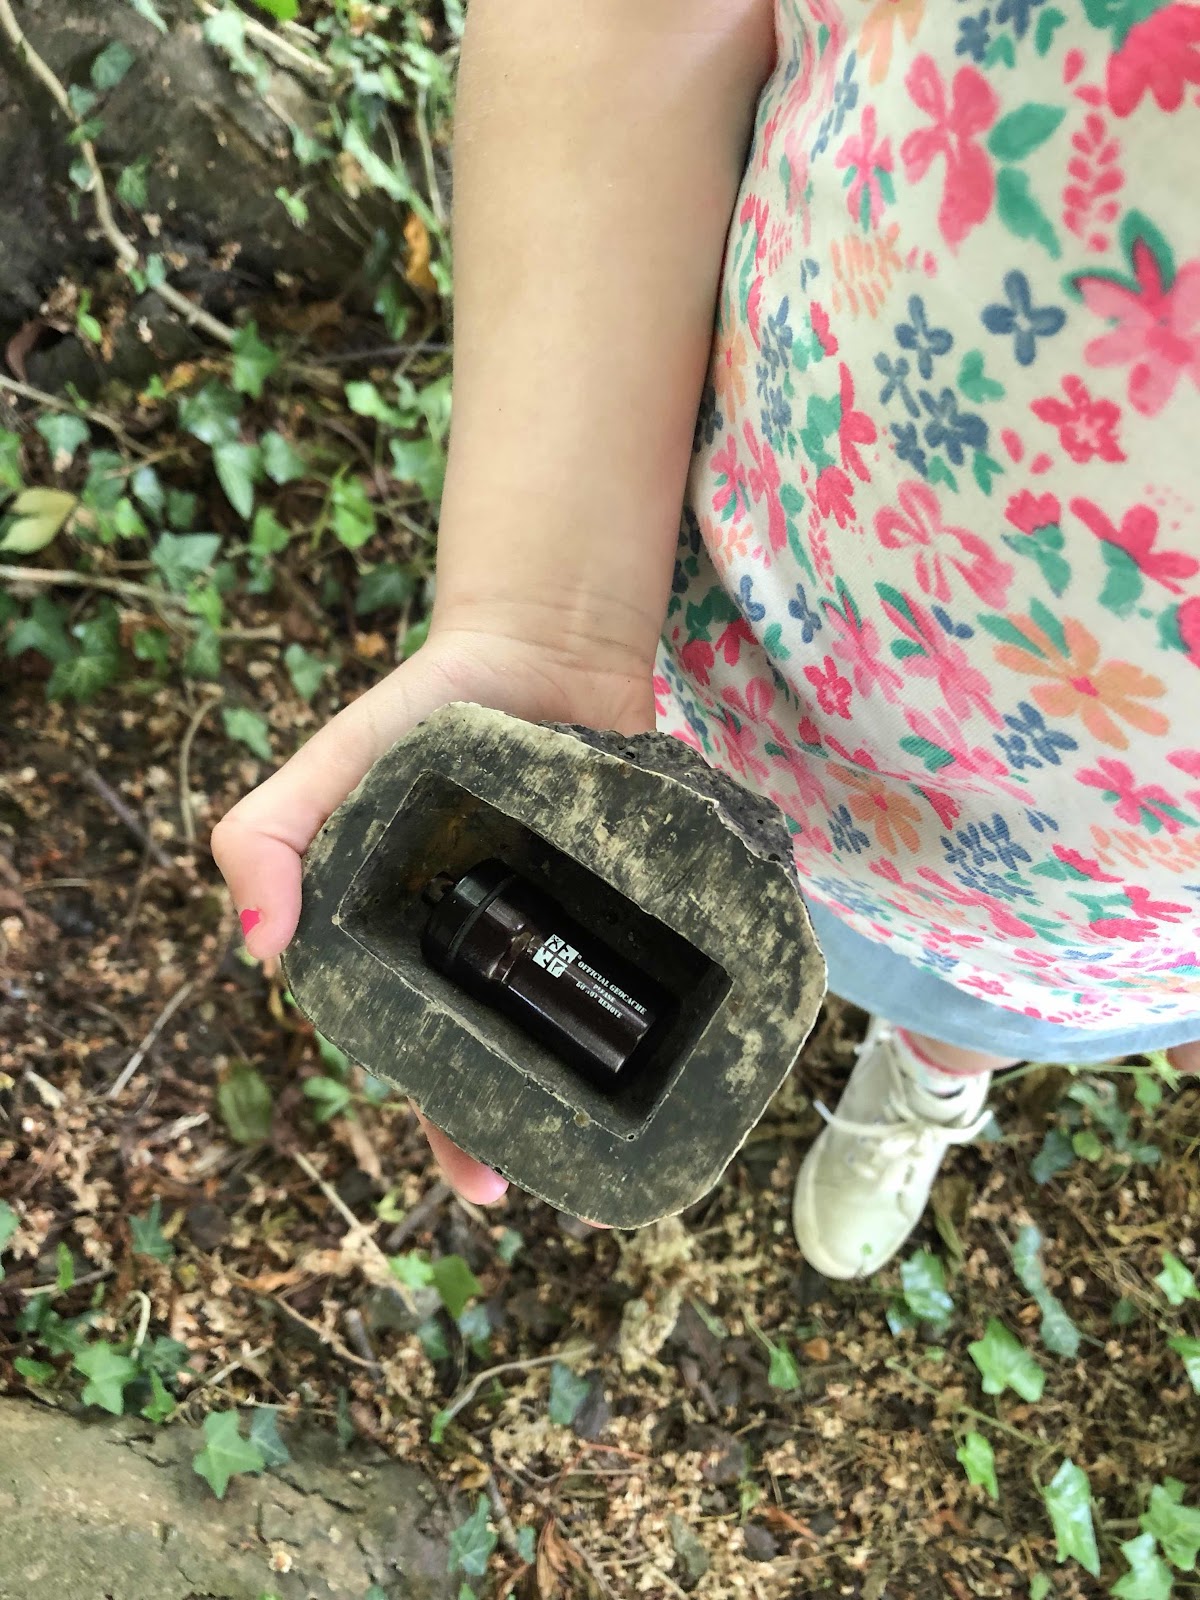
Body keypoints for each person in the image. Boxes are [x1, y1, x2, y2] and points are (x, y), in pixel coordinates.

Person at [213, 0, 1200, 1279]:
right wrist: (545, 614)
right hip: (709, 699)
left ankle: (937, 1069)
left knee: (976, 1008)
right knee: (782, 955)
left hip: (1105, 932)